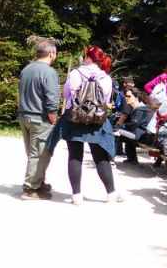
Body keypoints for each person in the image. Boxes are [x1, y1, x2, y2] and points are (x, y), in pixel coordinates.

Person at [47, 45, 119, 205]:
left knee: (75, 155)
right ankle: (111, 193)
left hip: (75, 118)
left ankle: (76, 195)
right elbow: (106, 101)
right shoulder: (105, 77)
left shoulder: (75, 73)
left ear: (87, 57)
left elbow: (66, 94)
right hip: (97, 120)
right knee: (100, 157)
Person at [17, 39, 60, 200]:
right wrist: (53, 116)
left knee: (32, 152)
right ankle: (30, 188)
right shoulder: (49, 72)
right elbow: (51, 98)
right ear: (51, 53)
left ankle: (38, 181)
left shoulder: (26, 69)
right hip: (39, 118)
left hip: (24, 116)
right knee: (40, 154)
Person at [114, 86, 155, 164]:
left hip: (145, 137)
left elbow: (134, 124)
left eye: (129, 96)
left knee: (116, 132)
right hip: (141, 135)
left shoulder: (141, 109)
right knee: (123, 133)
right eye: (125, 96)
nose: (126, 98)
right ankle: (132, 159)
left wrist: (120, 127)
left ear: (136, 97)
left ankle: (110, 158)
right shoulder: (139, 108)